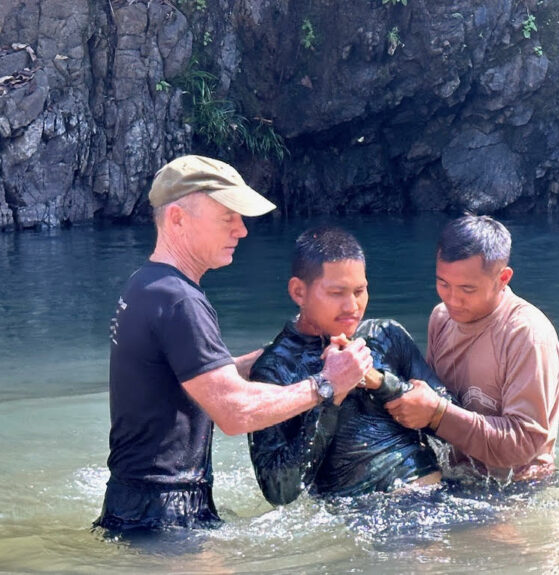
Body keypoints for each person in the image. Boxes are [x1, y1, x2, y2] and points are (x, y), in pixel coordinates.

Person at [94, 156, 373, 532]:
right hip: (165, 512)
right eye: (228, 217)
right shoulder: (181, 302)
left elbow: (187, 381)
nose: (241, 230)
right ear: (177, 218)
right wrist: (326, 383)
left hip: (138, 500)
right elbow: (234, 411)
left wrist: (273, 356)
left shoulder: (146, 285)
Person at [248, 226, 454, 505]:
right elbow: (280, 491)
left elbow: (452, 425)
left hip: (442, 494)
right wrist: (330, 394)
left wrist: (381, 382)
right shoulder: (275, 370)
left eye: (360, 291)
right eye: (337, 293)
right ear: (299, 291)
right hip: (368, 515)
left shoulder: (386, 335)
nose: (352, 306)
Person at [386, 214, 559, 482]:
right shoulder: (441, 318)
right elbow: (431, 400)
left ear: (502, 278)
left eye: (467, 289)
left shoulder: (526, 334)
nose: (452, 299)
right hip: (456, 477)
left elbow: (524, 443)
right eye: (443, 284)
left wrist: (437, 413)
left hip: (518, 490)